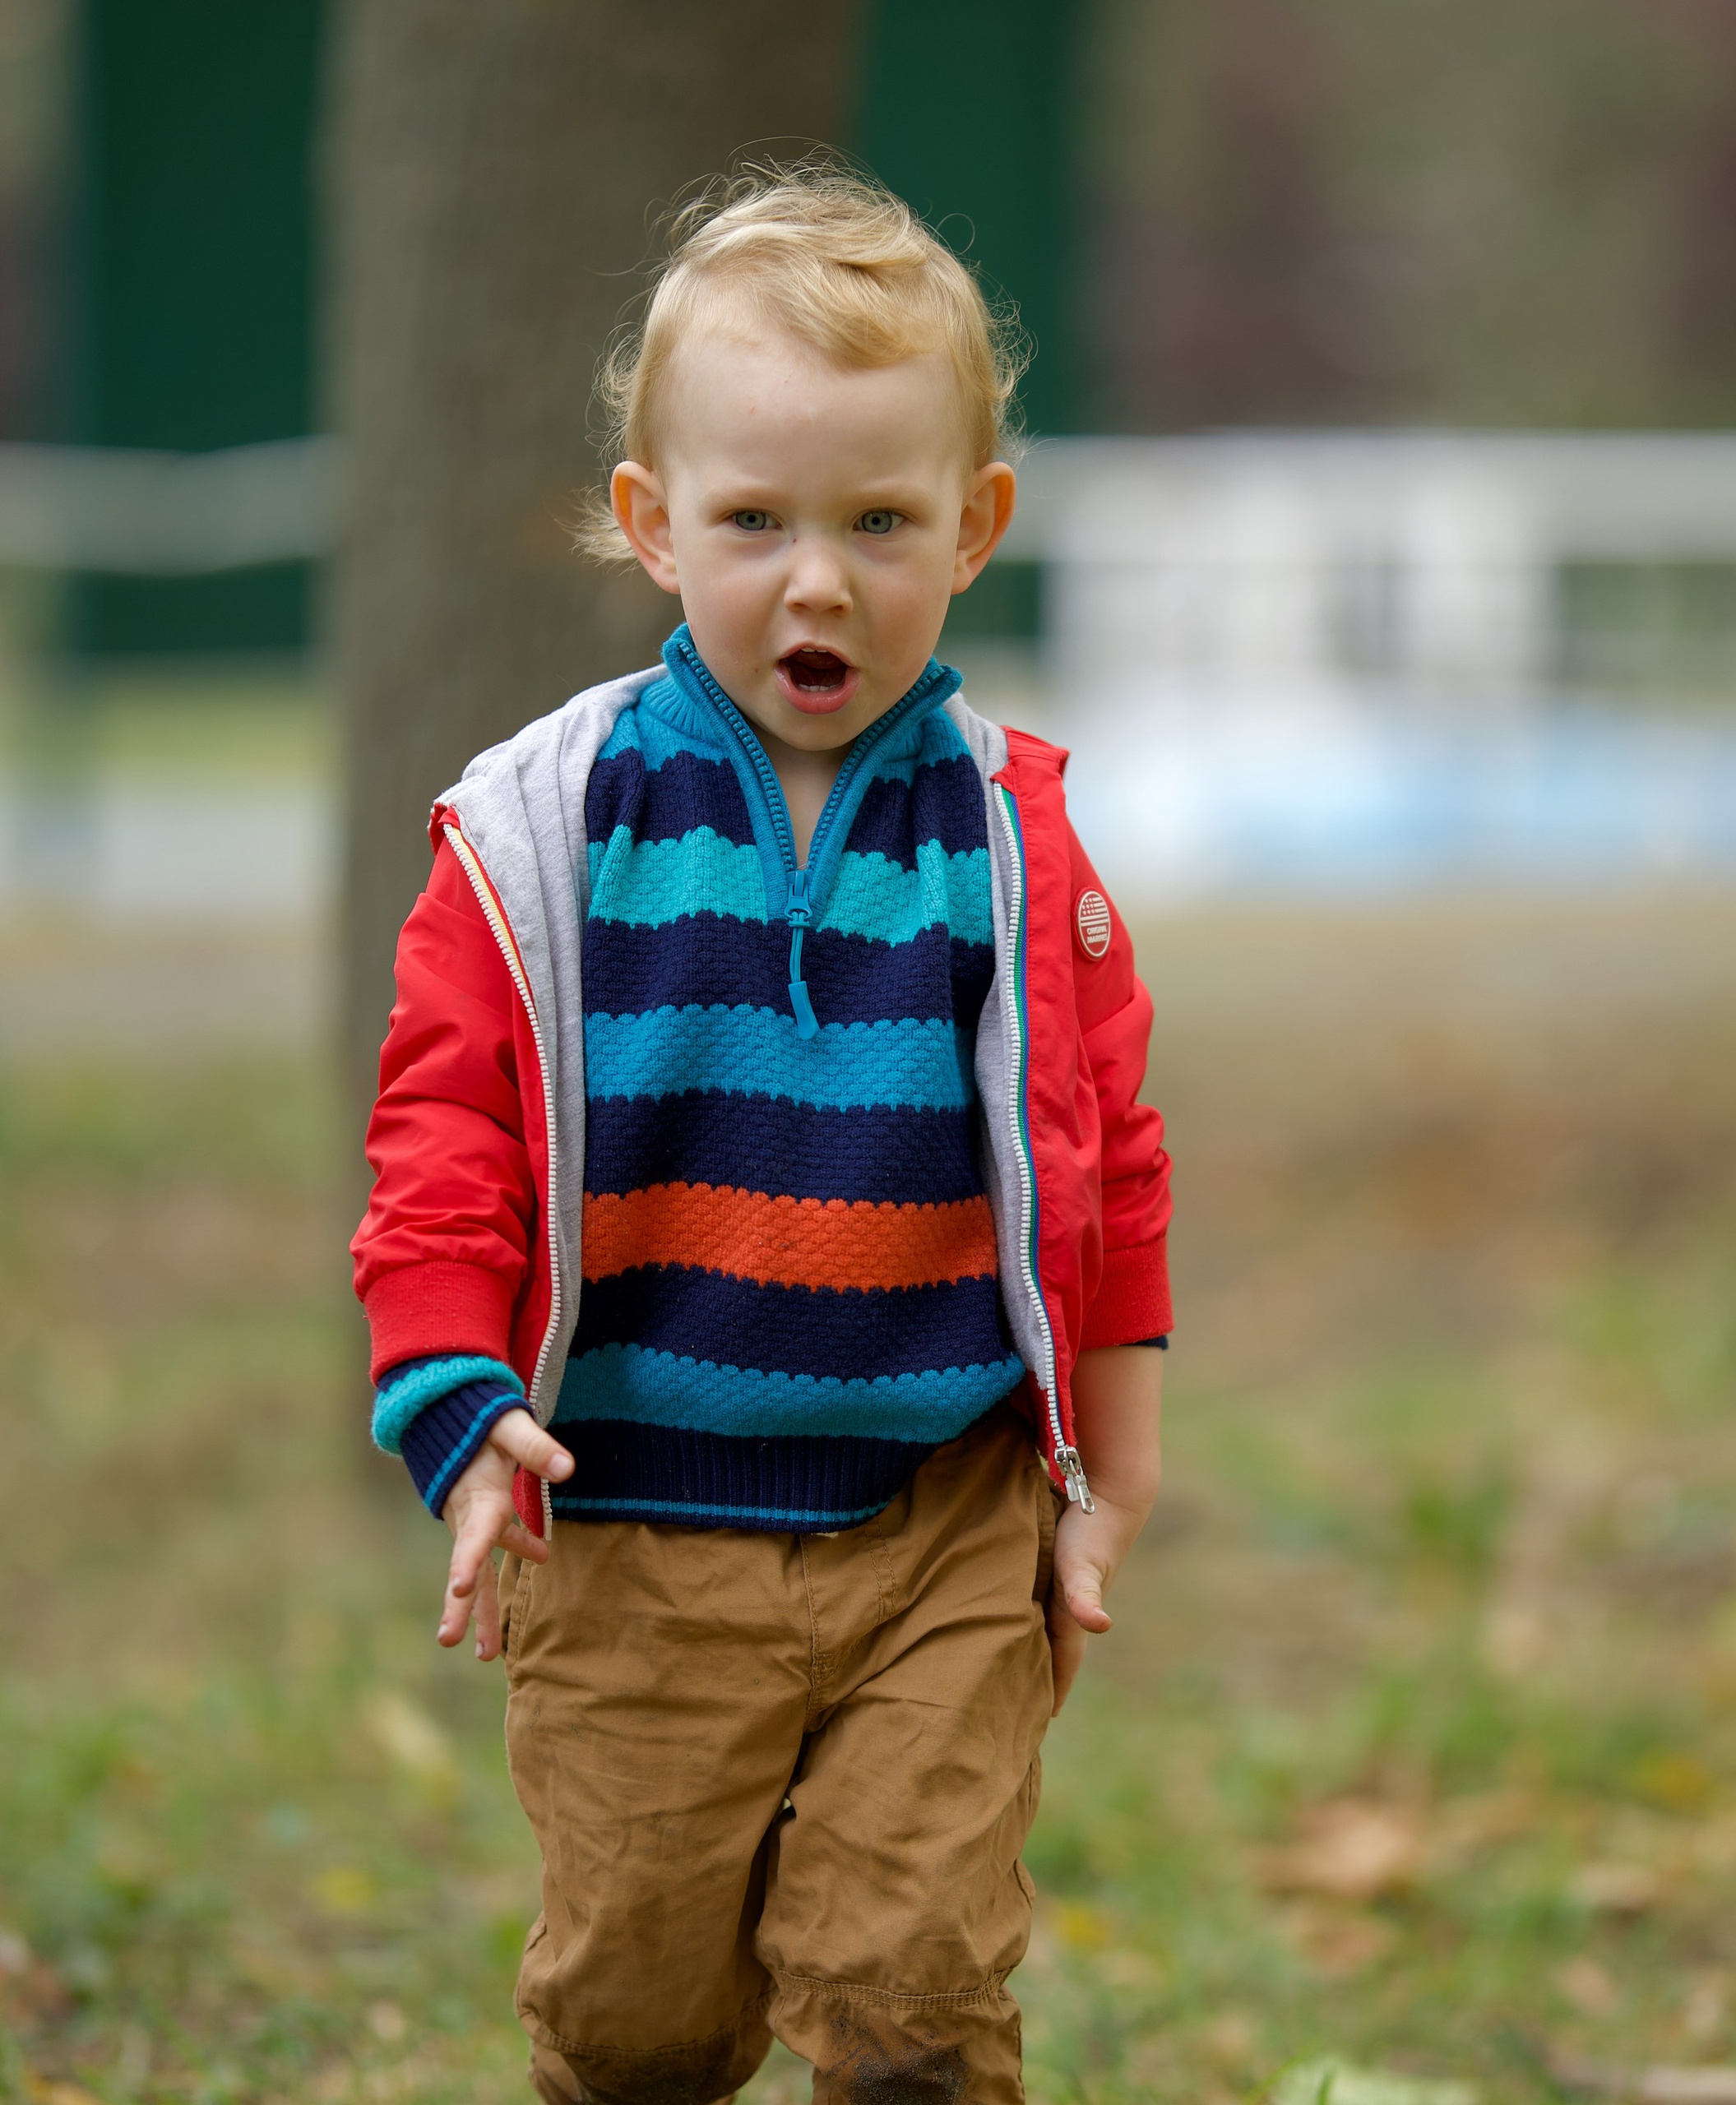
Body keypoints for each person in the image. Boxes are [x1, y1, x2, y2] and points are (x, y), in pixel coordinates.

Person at [349, 163, 1173, 2104]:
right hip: (634, 1524)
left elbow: (1103, 1155)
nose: (819, 578)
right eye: (754, 521)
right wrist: (457, 1408)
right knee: (640, 2017)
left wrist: (1106, 1472)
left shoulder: (1005, 840)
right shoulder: (544, 835)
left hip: (933, 1523)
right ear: (652, 526)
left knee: (907, 1988)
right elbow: (442, 1138)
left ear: (974, 529)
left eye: (880, 521)